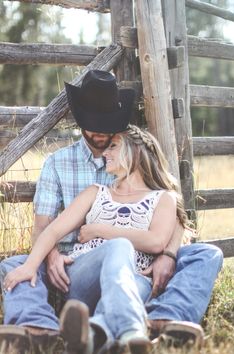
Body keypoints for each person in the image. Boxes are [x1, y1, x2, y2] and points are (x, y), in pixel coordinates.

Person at [0, 70, 223, 352]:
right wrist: (49, 258)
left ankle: (162, 319)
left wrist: (167, 254)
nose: (102, 136)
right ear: (80, 121)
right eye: (93, 125)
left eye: (108, 128)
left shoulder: (130, 159)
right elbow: (47, 227)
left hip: (138, 261)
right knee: (15, 264)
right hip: (77, 263)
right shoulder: (61, 165)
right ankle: (38, 327)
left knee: (205, 253)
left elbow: (173, 212)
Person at [2, 124, 189, 353]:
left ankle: (93, 335)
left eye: (113, 146)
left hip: (135, 277)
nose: (105, 153)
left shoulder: (163, 198)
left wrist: (100, 229)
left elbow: (157, 242)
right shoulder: (96, 192)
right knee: (13, 265)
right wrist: (30, 266)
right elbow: (51, 231)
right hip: (82, 274)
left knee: (121, 254)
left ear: (135, 152)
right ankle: (43, 327)